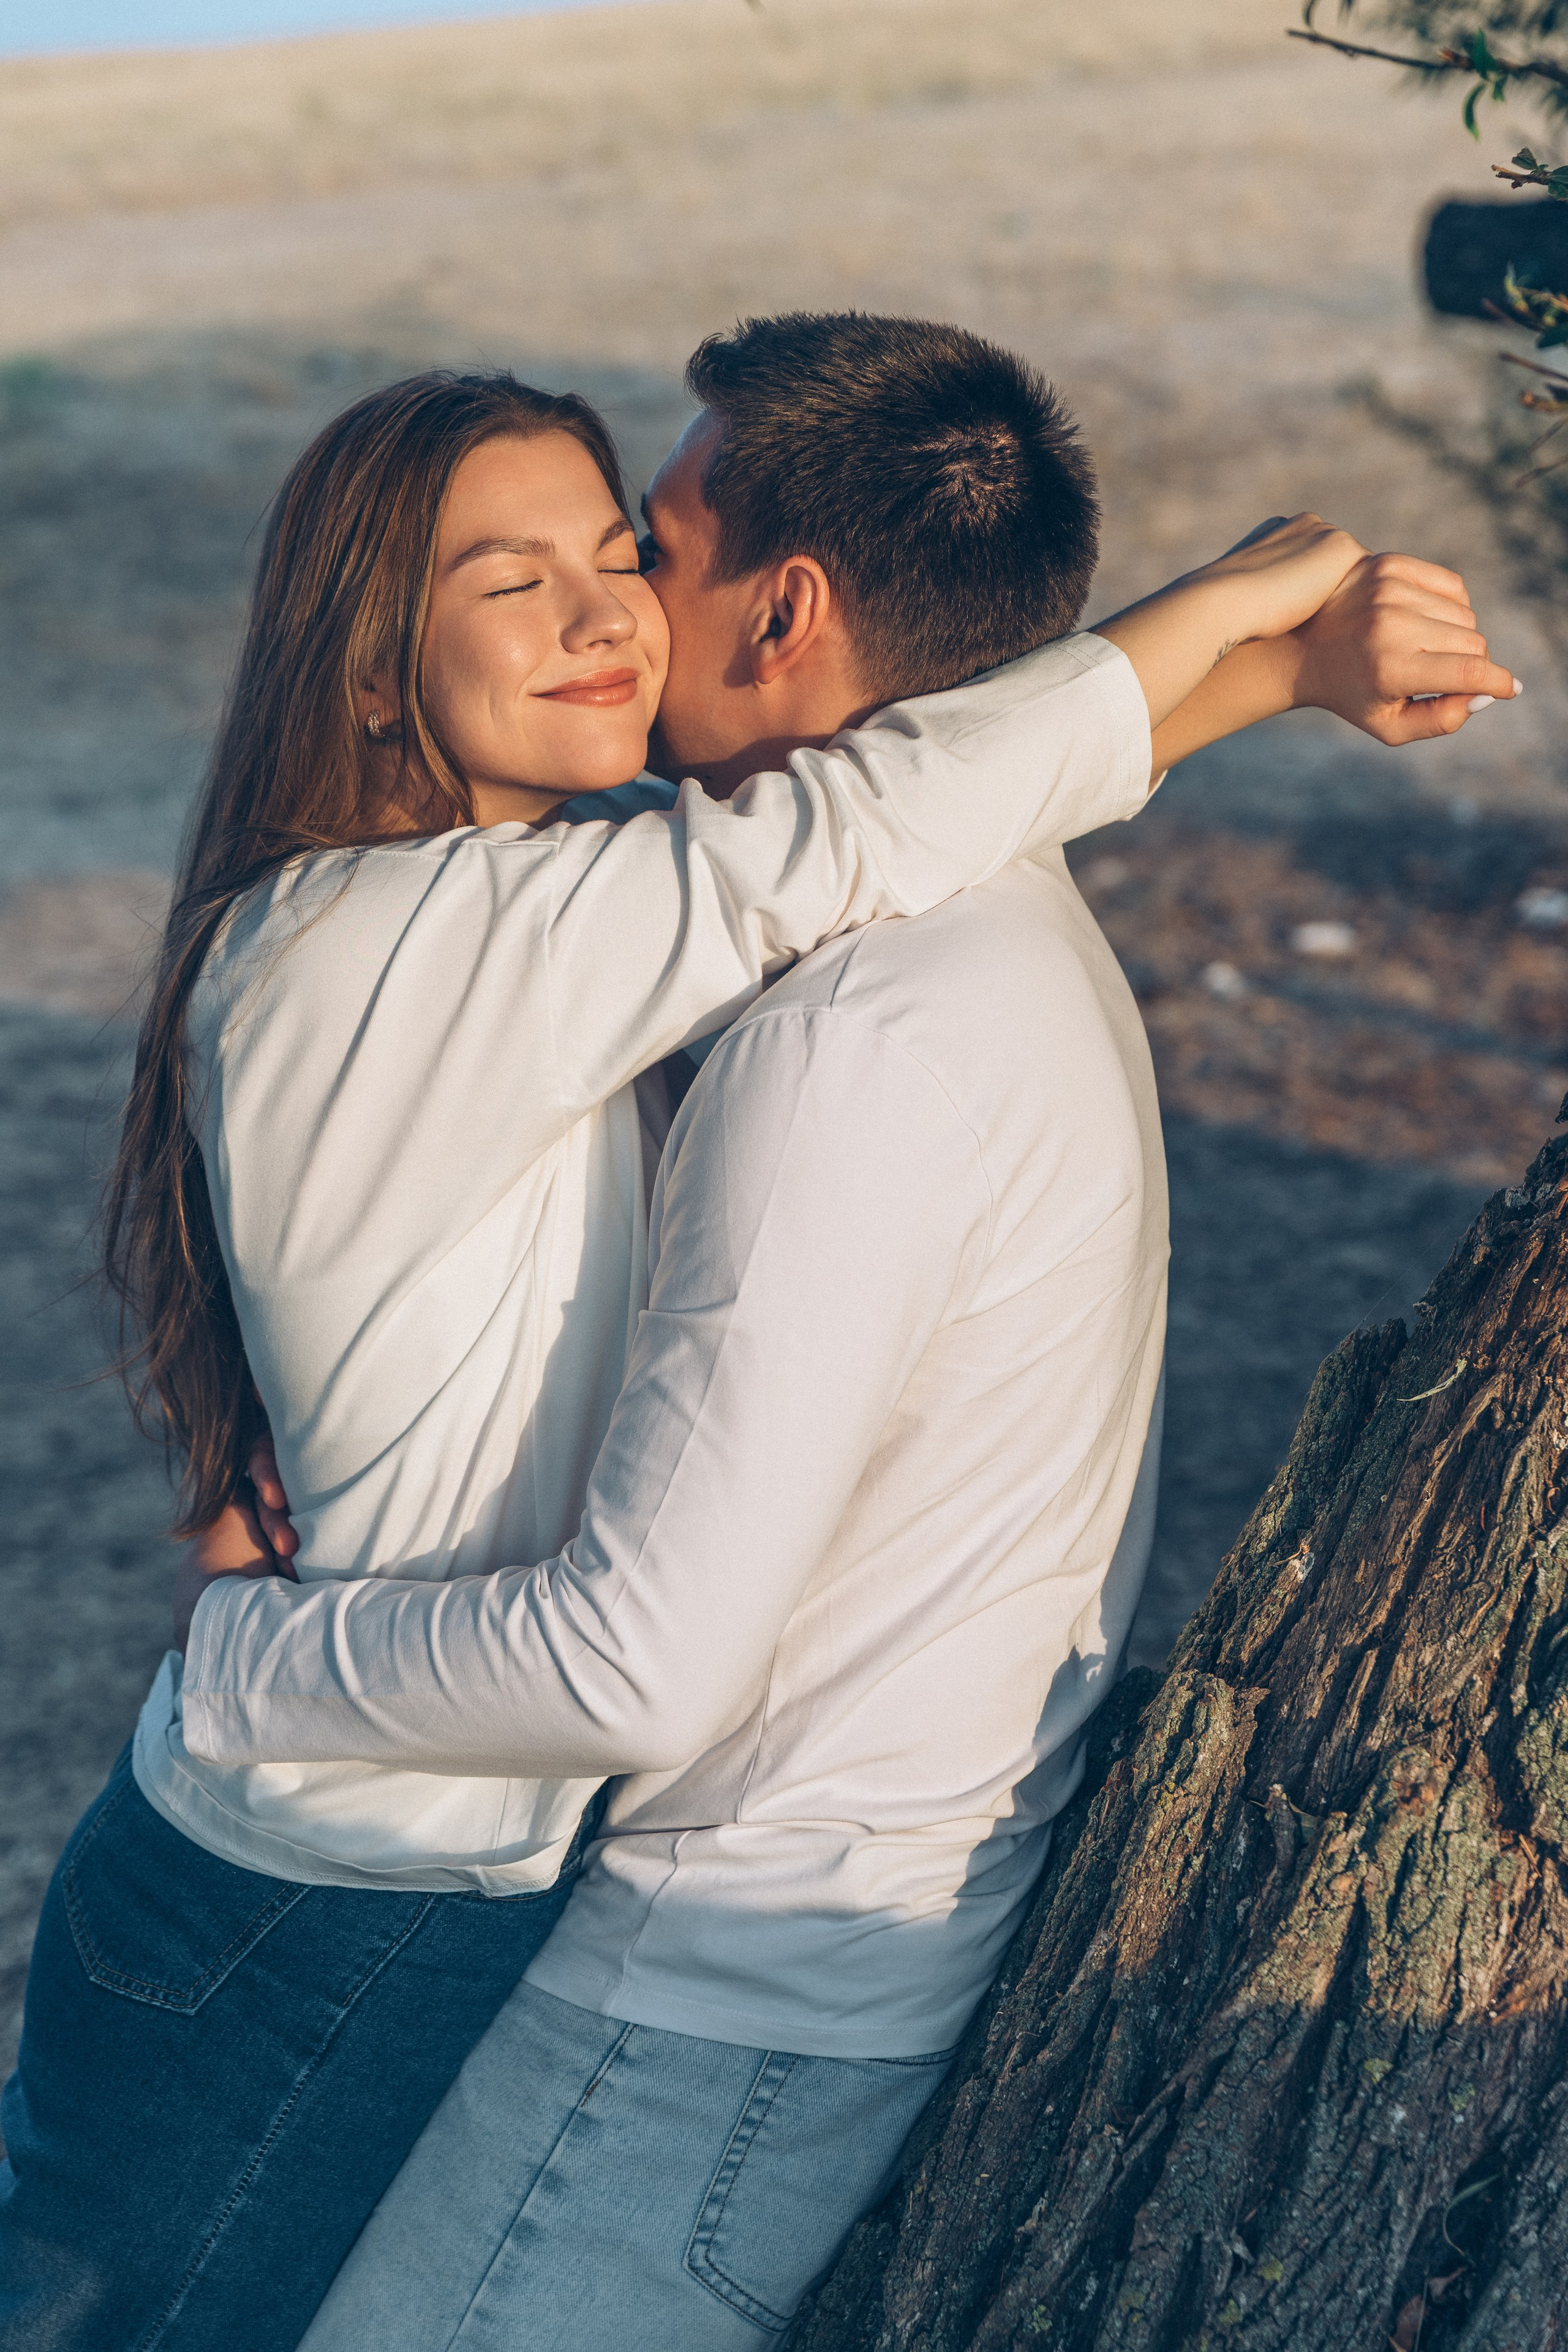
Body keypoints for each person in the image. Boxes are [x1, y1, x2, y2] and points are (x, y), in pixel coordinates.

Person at [0, 342, 1423, 2352]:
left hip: (417, 1876)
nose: (604, 615)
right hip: (300, 1899)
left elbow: (888, 805)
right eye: (517, 582)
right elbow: (854, 820)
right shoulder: (390, 941)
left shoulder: (550, 907)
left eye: (622, 554)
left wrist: (1265, 677)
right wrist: (1240, 618)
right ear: (373, 669)